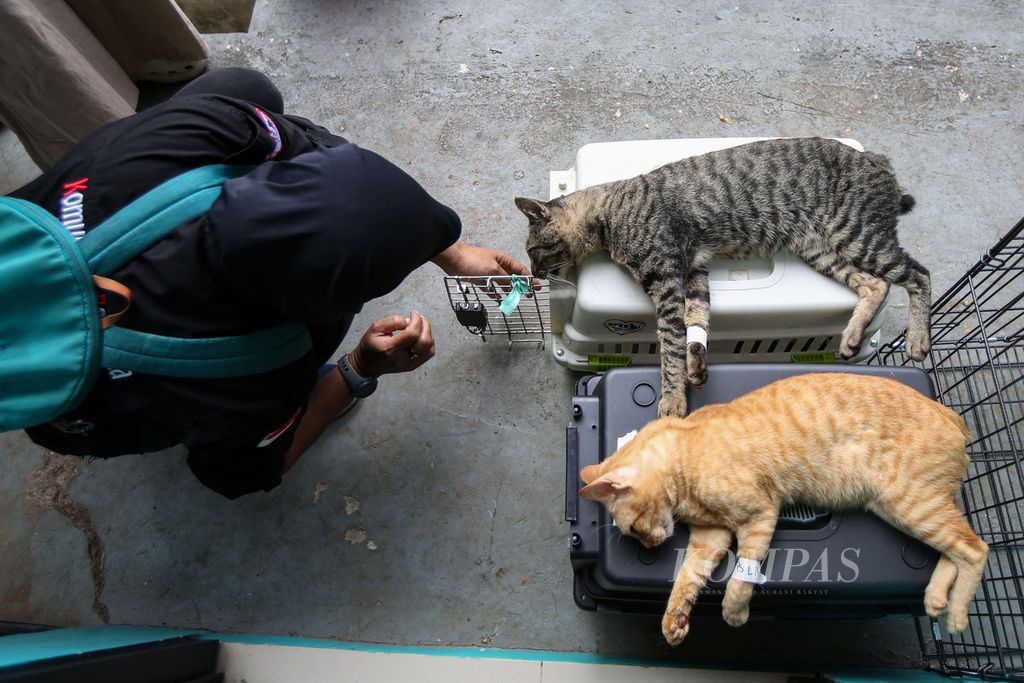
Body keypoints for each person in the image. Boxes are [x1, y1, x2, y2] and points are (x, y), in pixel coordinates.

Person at [9, 68, 530, 498]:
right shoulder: (253, 371)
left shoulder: (187, 133)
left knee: (246, 90)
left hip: (24, 269)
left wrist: (451, 252)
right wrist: (358, 367)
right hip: (69, 404)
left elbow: (313, 151)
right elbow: (239, 478)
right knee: (238, 403)